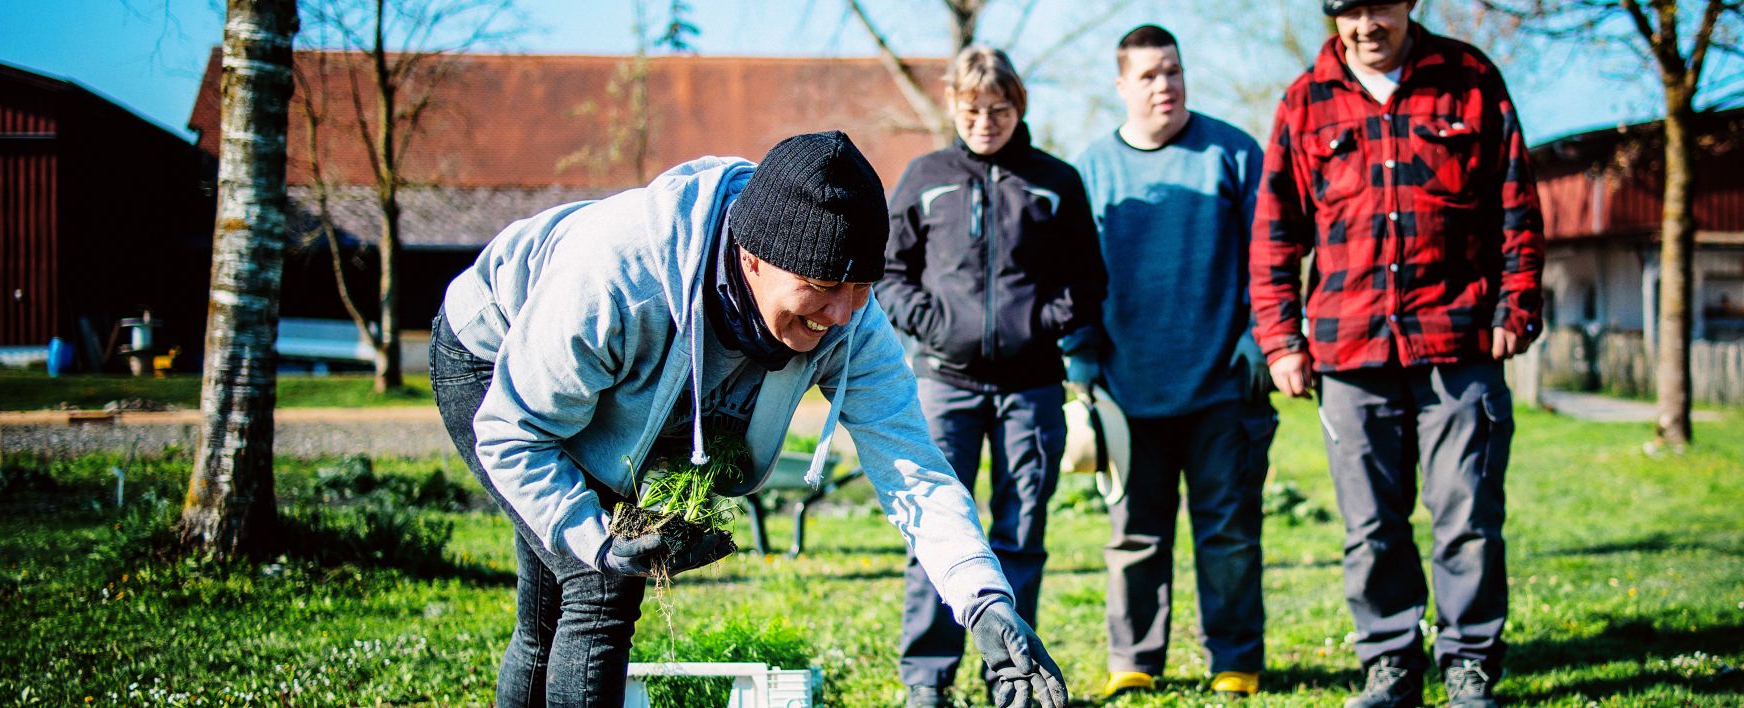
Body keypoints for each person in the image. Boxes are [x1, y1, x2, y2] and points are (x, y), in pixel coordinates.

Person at [431, 131, 1068, 708]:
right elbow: (514, 433)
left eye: (861, 286)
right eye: (823, 284)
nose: (841, 314)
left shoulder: (851, 319)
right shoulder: (619, 284)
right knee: (598, 586)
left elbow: (911, 466)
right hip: (494, 352)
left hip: (587, 377)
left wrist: (983, 599)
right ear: (753, 259)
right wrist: (594, 540)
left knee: (550, 612)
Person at [1250, 1, 1545, 706]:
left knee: (1467, 517)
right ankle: (1390, 663)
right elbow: (1275, 231)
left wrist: (1518, 304)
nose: (1365, 26)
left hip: (1458, 341)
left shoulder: (1471, 79)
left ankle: (1469, 664)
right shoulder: (1304, 100)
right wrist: (1281, 339)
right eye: (1348, 12)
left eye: (1378, 6)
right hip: (1349, 350)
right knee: (1372, 527)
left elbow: (1516, 204)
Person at [876, 45, 1105, 708]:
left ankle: (1012, 676)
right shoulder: (925, 176)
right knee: (937, 530)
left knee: (1021, 531)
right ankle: (927, 678)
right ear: (953, 104)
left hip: (1032, 387)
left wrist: (1038, 323)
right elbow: (889, 274)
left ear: (1018, 107)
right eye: (972, 109)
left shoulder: (1056, 181)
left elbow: (1088, 280)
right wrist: (934, 324)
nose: (985, 123)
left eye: (999, 110)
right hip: (943, 382)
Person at [1069, 24, 1275, 700]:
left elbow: (1269, 253)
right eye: (1150, 75)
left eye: (1174, 71)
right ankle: (1134, 660)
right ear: (1121, 85)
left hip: (1224, 385)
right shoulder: (1092, 170)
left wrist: (1260, 333)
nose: (1166, 85)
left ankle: (1236, 659)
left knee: (1229, 533)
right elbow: (1075, 276)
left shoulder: (1233, 153)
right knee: (1135, 536)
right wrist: (1082, 359)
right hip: (1126, 387)